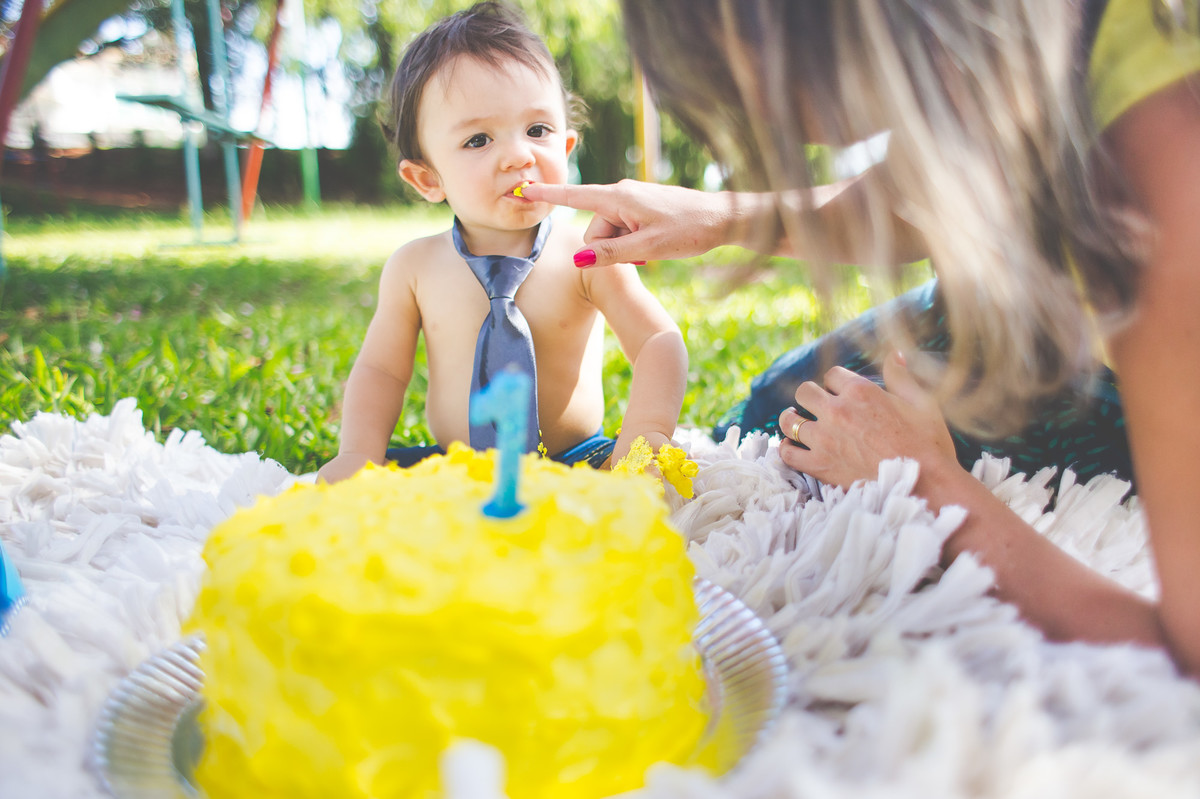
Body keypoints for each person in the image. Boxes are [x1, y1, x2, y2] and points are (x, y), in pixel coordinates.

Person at [521, 0, 1200, 677]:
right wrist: (717, 218)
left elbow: (1180, 647)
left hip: (1105, 369)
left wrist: (924, 480)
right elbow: (922, 199)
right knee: (778, 412)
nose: (753, 109)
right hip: (1001, 306)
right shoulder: (981, 43)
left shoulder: (1155, 142)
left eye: (742, 72)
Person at [317, 2, 686, 484]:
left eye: (537, 131)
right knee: (393, 502)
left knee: (636, 504)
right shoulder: (414, 268)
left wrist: (647, 434)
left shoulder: (590, 255)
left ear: (566, 148)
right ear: (427, 178)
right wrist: (358, 454)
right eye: (478, 140)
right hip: (457, 466)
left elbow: (658, 340)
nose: (518, 156)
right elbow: (381, 371)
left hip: (577, 461)